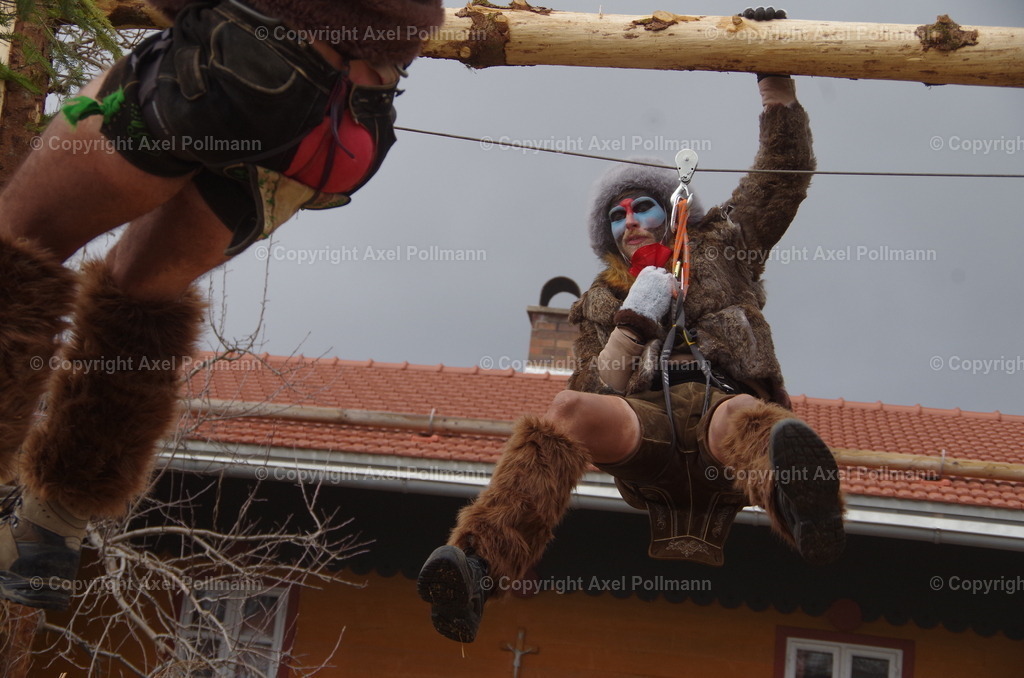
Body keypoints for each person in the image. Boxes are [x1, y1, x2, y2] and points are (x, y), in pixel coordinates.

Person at [417, 11, 845, 644]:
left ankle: (805, 506)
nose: (631, 220)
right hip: (647, 428)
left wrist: (772, 74)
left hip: (723, 413)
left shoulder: (725, 244)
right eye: (616, 215)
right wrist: (634, 319)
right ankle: (479, 567)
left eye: (642, 203)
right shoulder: (597, 301)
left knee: (748, 423)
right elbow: (601, 387)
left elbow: (784, 174)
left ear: (672, 208)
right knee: (565, 410)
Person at [0, 0, 443, 610]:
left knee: (18, 242)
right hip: (346, 122)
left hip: (245, 65)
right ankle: (48, 535)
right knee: (142, 297)